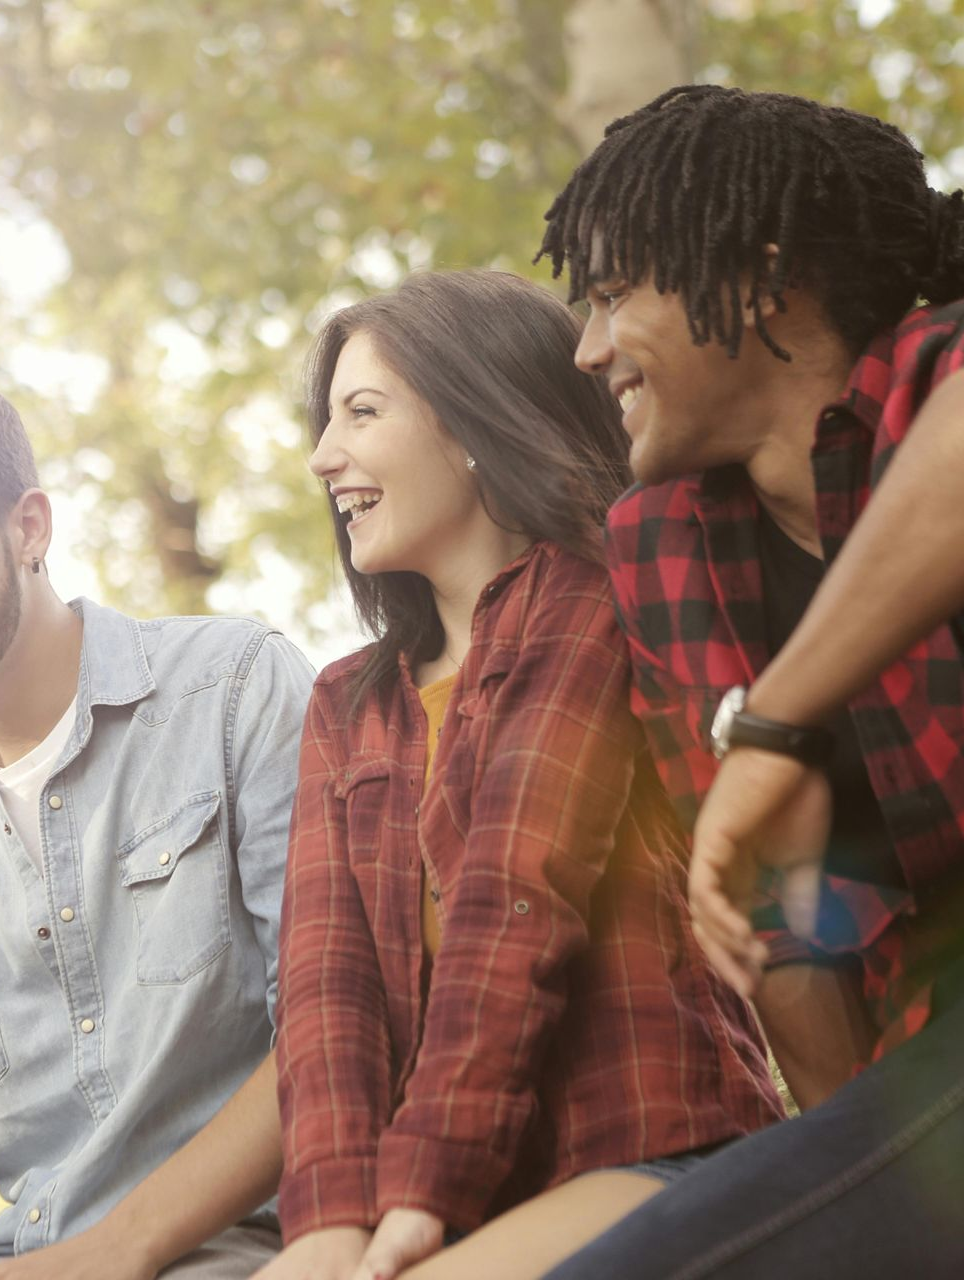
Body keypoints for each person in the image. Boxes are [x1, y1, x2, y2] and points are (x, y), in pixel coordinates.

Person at [258, 270, 783, 1280]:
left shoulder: (588, 597)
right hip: (448, 1203)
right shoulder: (345, 701)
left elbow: (514, 891)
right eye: (324, 426)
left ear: (468, 419)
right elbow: (328, 986)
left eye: (360, 413)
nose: (324, 458)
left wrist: (417, 1191)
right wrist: (324, 1217)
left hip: (650, 1151)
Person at [536, 84, 964, 1277]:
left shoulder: (933, 370)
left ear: (763, 280)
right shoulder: (659, 540)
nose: (585, 347)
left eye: (614, 294)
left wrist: (775, 724)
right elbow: (773, 930)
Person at [0, 366, 315, 1279]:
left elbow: (326, 1033)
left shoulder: (231, 691)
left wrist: (111, 1252)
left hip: (241, 1252)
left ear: (28, 527)